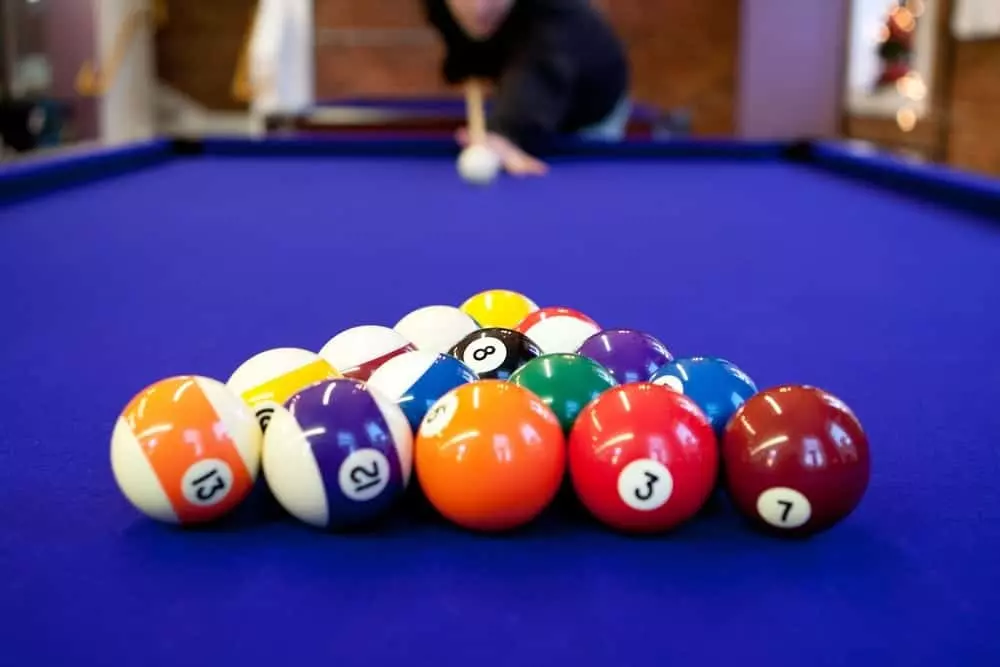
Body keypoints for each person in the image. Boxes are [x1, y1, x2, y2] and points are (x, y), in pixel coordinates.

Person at [422, 0, 630, 176]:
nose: (479, 7)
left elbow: (540, 71)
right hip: (531, 82)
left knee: (582, 193)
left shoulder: (552, 13)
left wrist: (505, 132)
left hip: (590, 102)